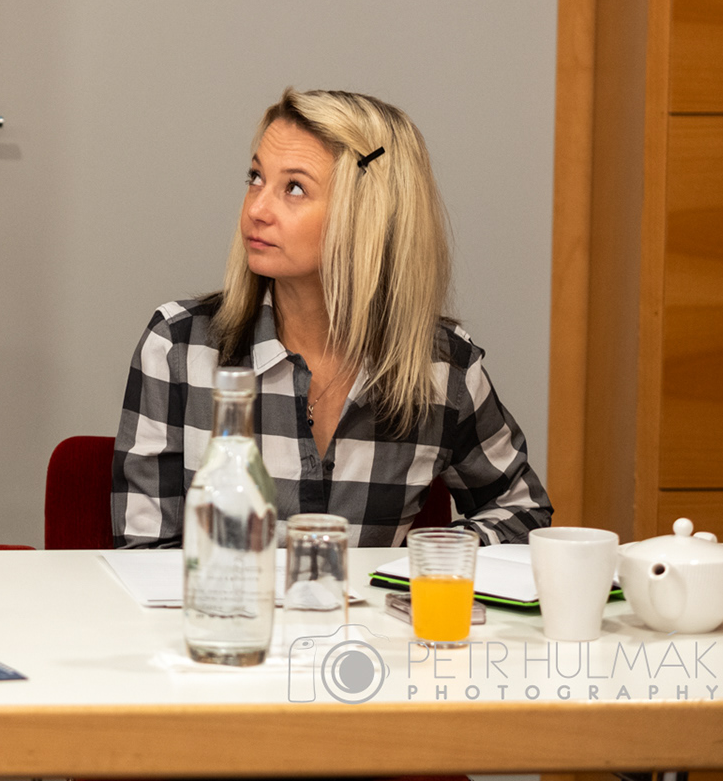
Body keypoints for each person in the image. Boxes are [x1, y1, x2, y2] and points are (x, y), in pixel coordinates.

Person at [114, 88, 551, 548]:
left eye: (294, 188)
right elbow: (143, 556)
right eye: (256, 177)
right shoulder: (178, 347)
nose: (256, 210)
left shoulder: (444, 367)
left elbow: (523, 511)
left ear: (369, 215)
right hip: (226, 599)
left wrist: (426, 563)